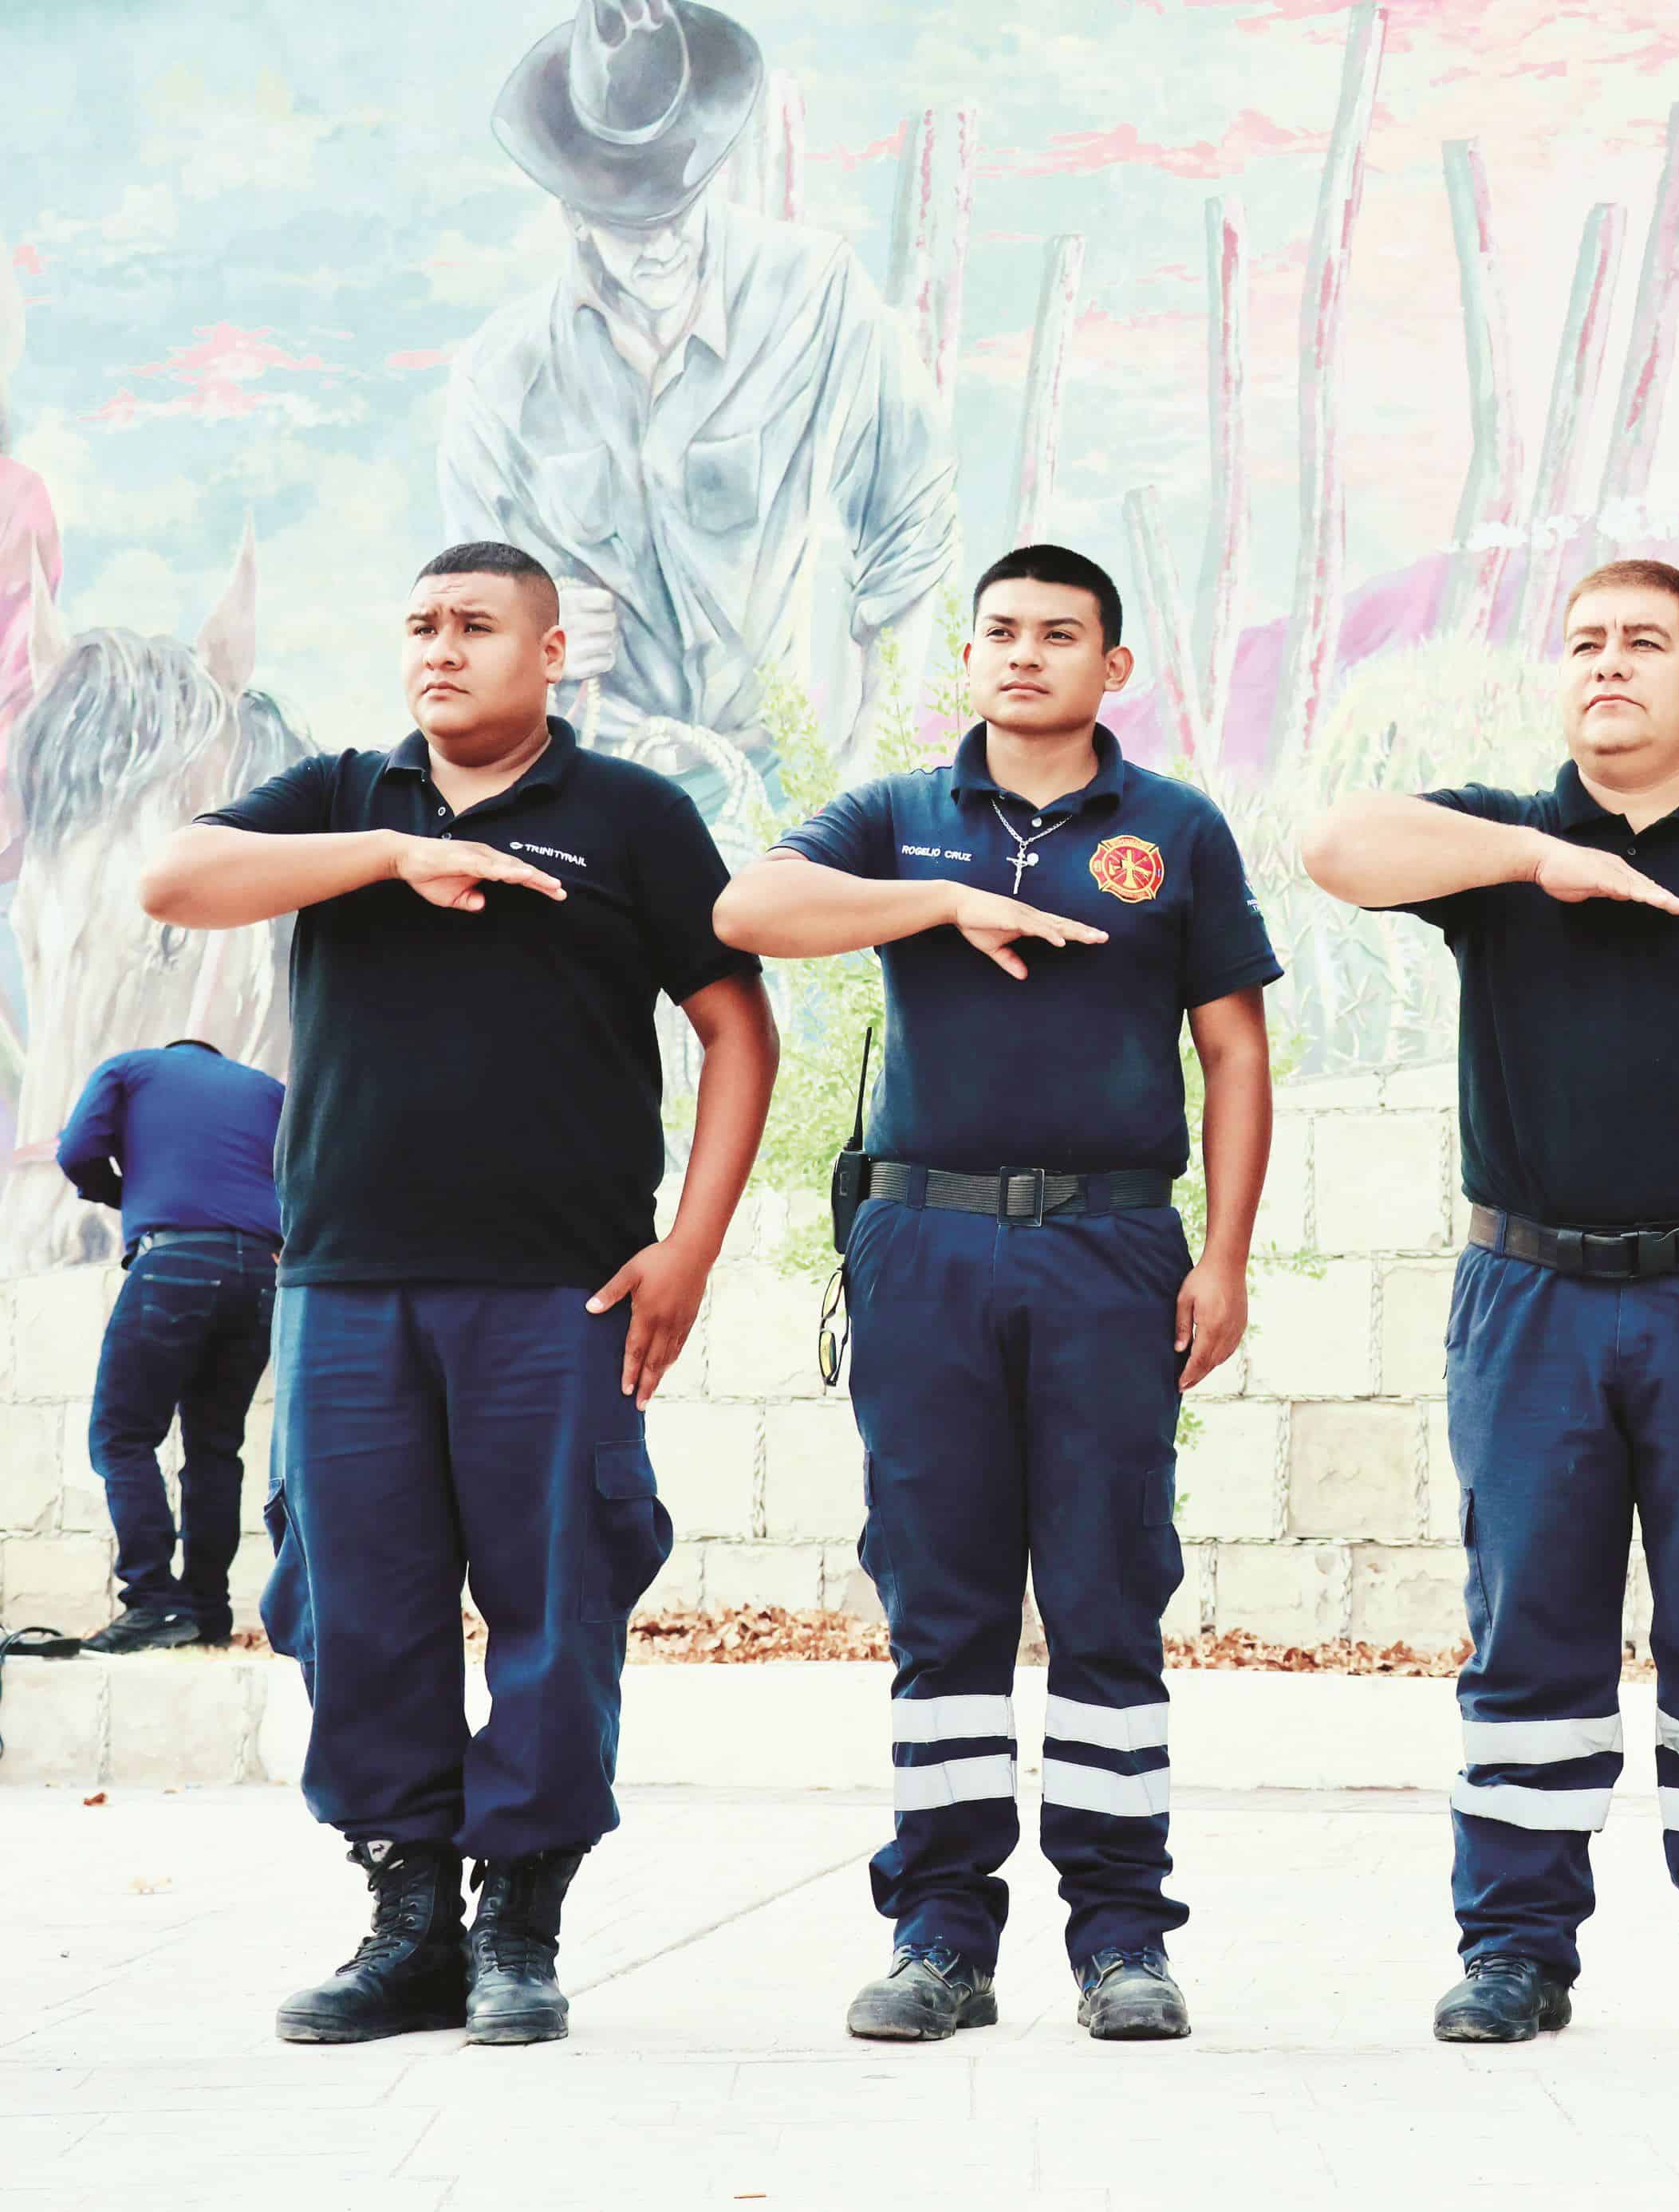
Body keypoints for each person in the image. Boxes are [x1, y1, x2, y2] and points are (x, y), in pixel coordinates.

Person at [138, 540, 778, 2048]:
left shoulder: (633, 817)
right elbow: (177, 875)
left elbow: (738, 1028)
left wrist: (689, 1246)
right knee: (358, 1609)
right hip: (348, 1282)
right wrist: (387, 856)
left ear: (551, 653)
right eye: (420, 623)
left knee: (558, 1604)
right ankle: (408, 1917)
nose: (441, 648)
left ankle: (521, 1926)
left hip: (557, 1290)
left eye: (477, 625)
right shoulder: (342, 796)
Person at [1302, 557, 1679, 2049]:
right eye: (1584, 643)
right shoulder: (1499, 836)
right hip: (1533, 1294)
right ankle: (1516, 1944)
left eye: (1646, 643)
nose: (1610, 665)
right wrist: (1535, 866)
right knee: (1531, 1626)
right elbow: (1334, 843)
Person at [714, 542, 1279, 2045]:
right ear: (971, 655)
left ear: (1116, 668)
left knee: (1106, 1593)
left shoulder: (1177, 828)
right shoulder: (900, 819)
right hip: (924, 1246)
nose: (1025, 654)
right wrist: (932, 908)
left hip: (1110, 1247)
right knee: (942, 1598)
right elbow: (749, 908)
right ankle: (941, 1934)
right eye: (1002, 631)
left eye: (1060, 633)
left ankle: (1120, 1937)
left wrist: (1219, 1254)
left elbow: (1233, 1050)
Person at [442, 0, 958, 817]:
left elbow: (911, 531)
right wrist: (526, 626)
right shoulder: (499, 379)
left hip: (782, 780)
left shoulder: (814, 297)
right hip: (585, 789)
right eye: (629, 221)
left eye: (677, 206)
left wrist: (869, 762)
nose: (663, 241)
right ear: (573, 212)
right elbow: (461, 622)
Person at [56, 1037, 286, 1653]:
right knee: (215, 1447)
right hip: (264, 1275)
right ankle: (207, 1610)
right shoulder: (267, 1089)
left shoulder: (130, 1068)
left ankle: (155, 1602)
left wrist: (121, 1194)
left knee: (123, 1435)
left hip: (176, 1260)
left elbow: (78, 1150)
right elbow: (307, 1170)